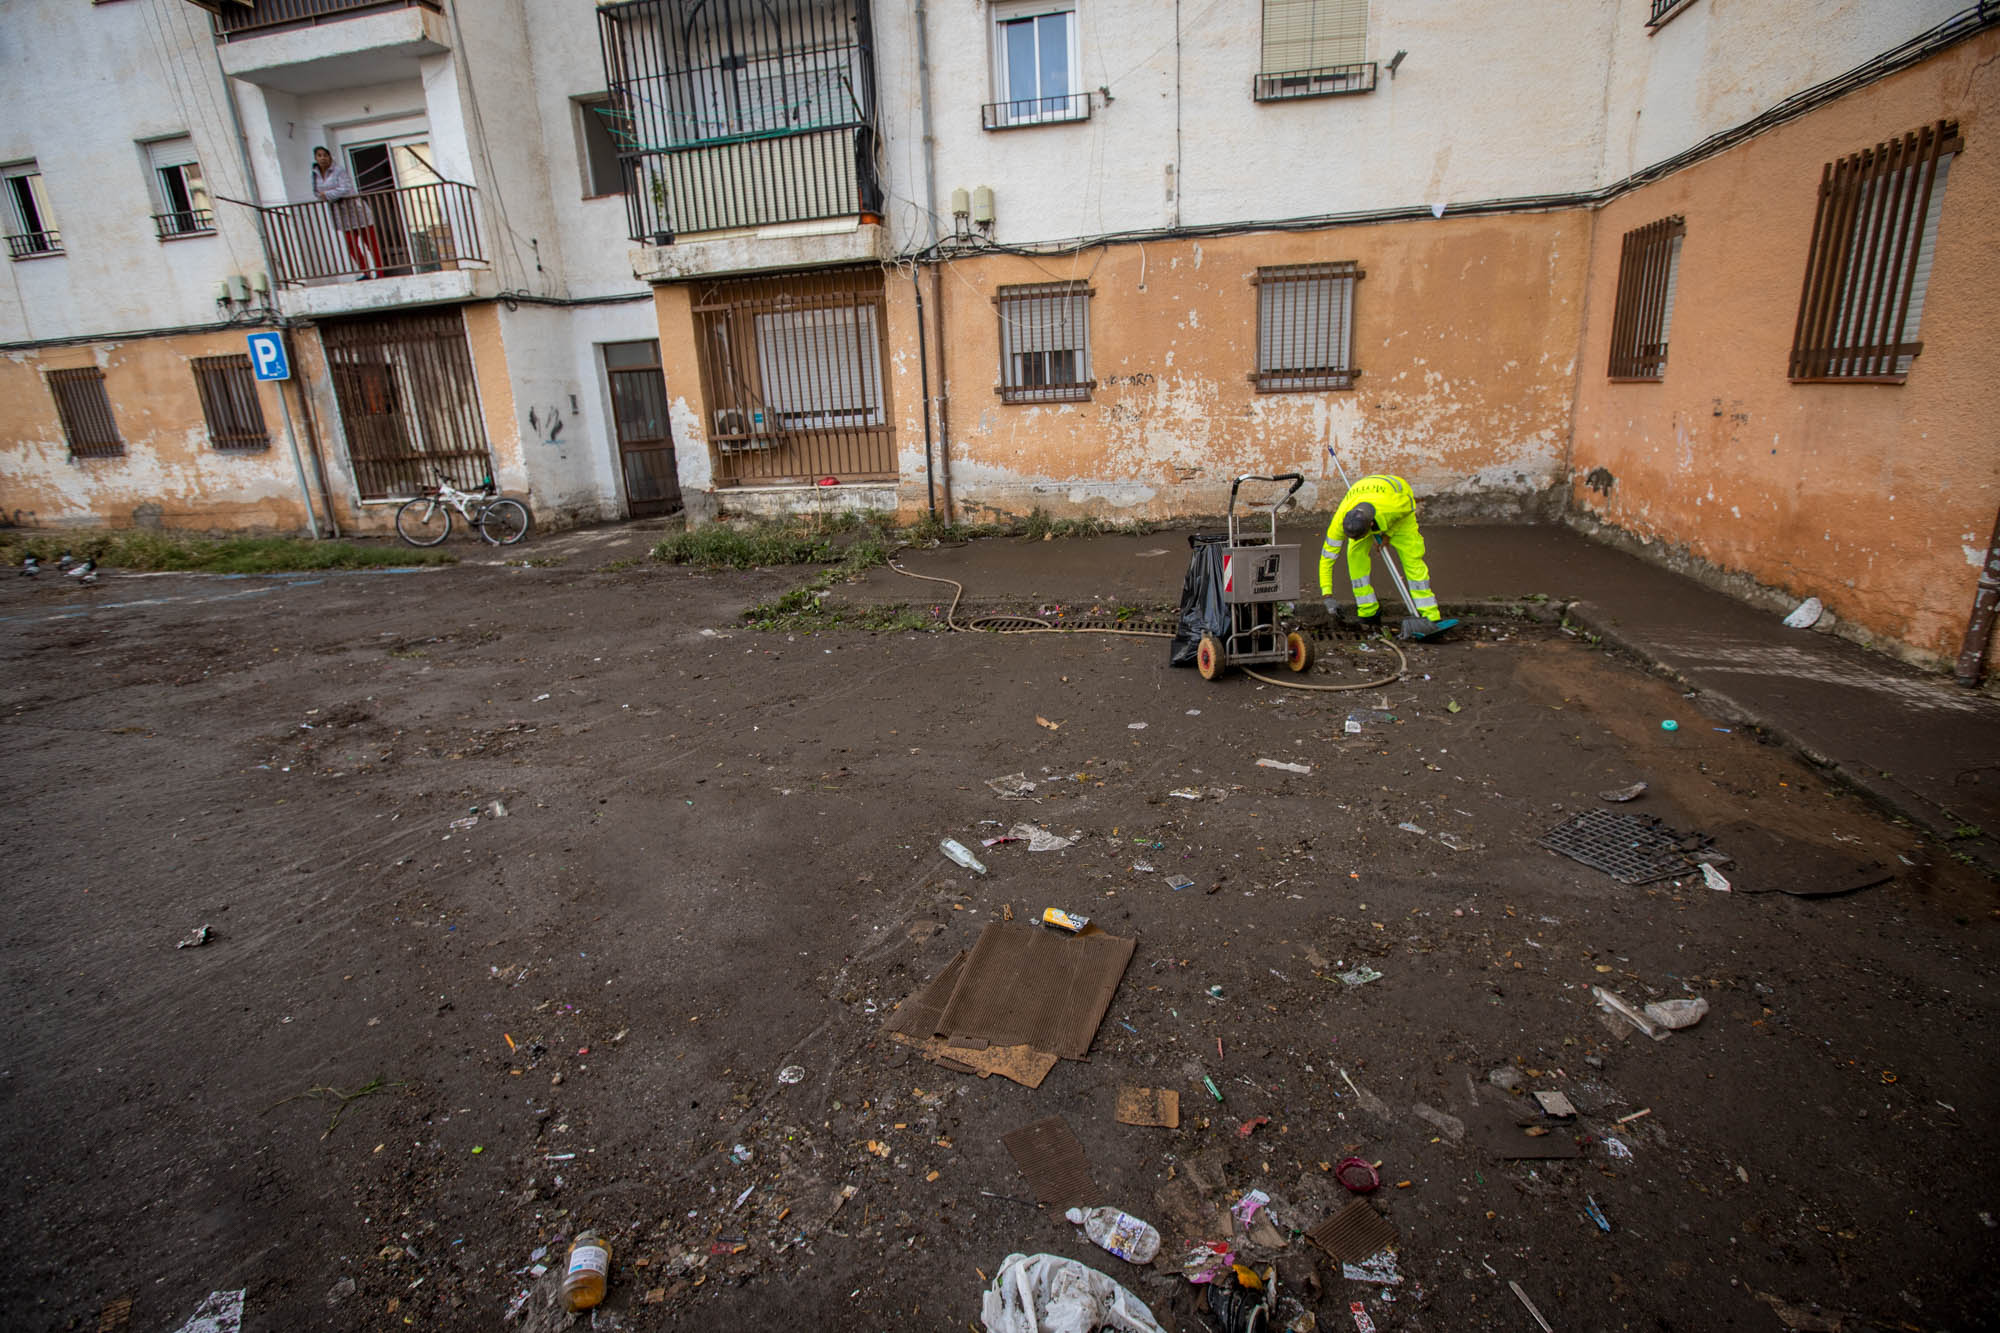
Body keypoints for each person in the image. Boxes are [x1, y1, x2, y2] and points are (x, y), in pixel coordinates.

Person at [1318, 473, 1442, 627]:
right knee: (1354, 554)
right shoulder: (1340, 522)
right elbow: (1327, 559)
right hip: (1363, 493)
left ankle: (1430, 615)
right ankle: (1368, 612)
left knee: (1412, 558)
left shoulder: (1392, 507)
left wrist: (1388, 535)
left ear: (1370, 526)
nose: (1356, 539)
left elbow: (1409, 507)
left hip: (1397, 494)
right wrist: (1327, 595)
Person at [311, 147, 383, 280]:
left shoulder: (339, 171)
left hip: (356, 210)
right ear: (315, 158)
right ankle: (366, 272)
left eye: (325, 155)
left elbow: (345, 188)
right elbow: (316, 193)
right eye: (319, 155)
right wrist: (328, 195)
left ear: (330, 156)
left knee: (371, 244)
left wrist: (327, 194)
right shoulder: (315, 173)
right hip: (340, 213)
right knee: (351, 245)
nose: (322, 158)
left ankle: (380, 272)